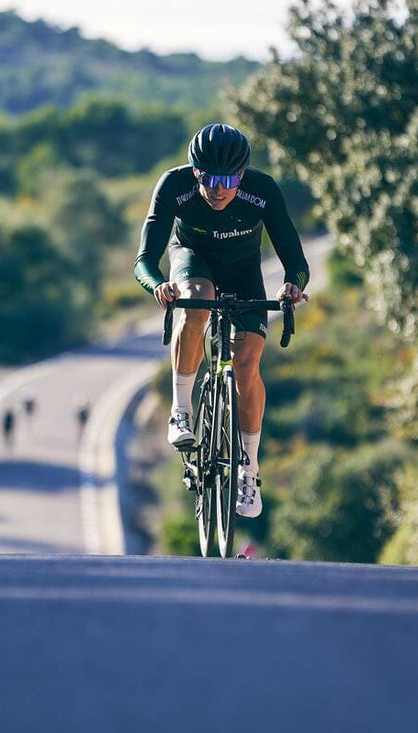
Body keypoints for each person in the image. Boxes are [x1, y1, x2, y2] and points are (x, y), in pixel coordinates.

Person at [133, 123, 310, 519]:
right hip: (192, 260)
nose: (219, 189)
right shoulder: (173, 186)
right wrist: (159, 285)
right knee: (197, 299)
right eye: (210, 179)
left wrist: (290, 287)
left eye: (228, 180)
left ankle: (249, 470)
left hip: (244, 270)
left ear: (242, 176)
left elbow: (296, 263)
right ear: (195, 171)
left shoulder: (261, 191)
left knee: (246, 368)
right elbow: (144, 259)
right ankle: (181, 410)